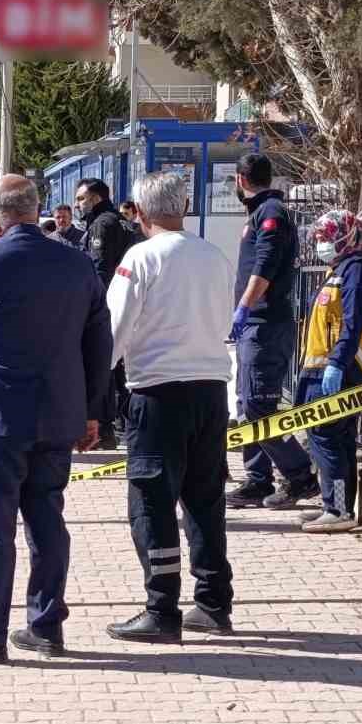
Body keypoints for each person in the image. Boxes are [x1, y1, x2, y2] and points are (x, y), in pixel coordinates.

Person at [0, 175, 112, 661]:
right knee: (48, 522)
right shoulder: (78, 263)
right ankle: (46, 628)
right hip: (58, 415)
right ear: (36, 211)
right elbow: (99, 342)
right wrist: (93, 412)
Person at [105, 170, 237, 641]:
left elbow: (114, 331)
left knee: (152, 501)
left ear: (139, 213)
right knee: (205, 499)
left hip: (158, 393)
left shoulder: (140, 258)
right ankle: (214, 602)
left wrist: (92, 387)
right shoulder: (215, 256)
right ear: (184, 208)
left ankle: (161, 609)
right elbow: (225, 319)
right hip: (210, 390)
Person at [227, 152, 319, 510]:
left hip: (265, 324)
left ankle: (299, 476)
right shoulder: (260, 213)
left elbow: (264, 266)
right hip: (256, 324)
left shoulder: (270, 215)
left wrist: (245, 306)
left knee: (259, 405)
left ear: (240, 180)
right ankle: (257, 478)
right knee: (247, 402)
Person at [295, 209, 362, 533]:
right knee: (338, 438)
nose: (320, 244)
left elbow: (353, 320)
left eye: (325, 238)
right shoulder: (341, 269)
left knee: (326, 436)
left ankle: (337, 509)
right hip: (326, 368)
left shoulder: (356, 269)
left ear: (345, 238)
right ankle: (339, 506)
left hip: (341, 369)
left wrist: (336, 362)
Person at [75, 177, 140, 451]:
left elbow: (99, 270)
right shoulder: (118, 221)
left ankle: (104, 429)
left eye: (81, 198)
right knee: (117, 372)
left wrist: (90, 309)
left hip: (105, 308)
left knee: (101, 368)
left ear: (96, 198)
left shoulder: (103, 224)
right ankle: (119, 427)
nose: (78, 204)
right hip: (122, 305)